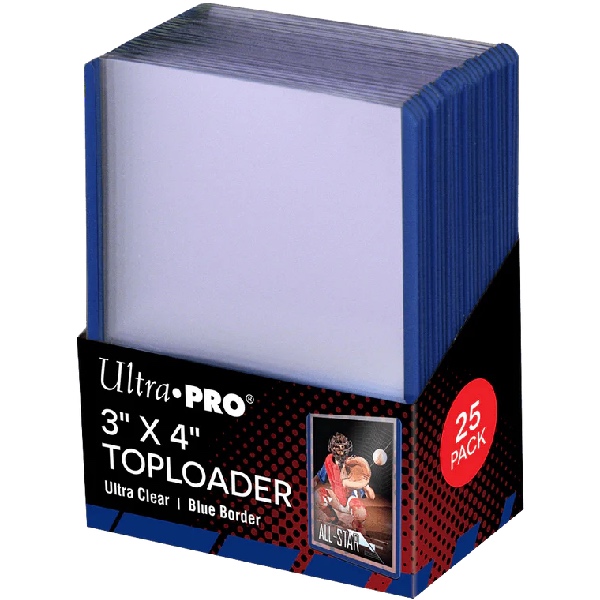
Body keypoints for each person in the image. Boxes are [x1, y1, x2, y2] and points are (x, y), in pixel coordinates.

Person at [313, 432, 375, 534]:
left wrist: (367, 487)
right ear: (333, 449)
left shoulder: (354, 465)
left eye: (343, 448)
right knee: (318, 495)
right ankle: (334, 519)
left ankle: (358, 525)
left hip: (350, 501)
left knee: (360, 512)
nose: (341, 451)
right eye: (338, 448)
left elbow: (371, 496)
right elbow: (318, 477)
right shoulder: (329, 462)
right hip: (336, 498)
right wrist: (312, 482)